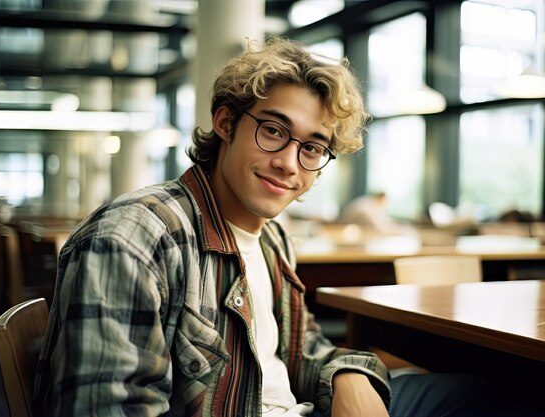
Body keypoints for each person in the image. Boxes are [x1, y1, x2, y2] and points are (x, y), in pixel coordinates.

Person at [32, 37, 485, 417]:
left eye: (312, 148)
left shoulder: (271, 236)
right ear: (226, 123)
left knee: (495, 391)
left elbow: (300, 348)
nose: (289, 163)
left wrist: (349, 374)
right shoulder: (134, 237)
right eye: (273, 130)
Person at [337, 191, 406, 234]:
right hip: (346, 229)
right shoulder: (366, 207)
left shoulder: (375, 206)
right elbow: (378, 227)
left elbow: (385, 221)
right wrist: (397, 231)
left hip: (355, 231)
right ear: (379, 198)